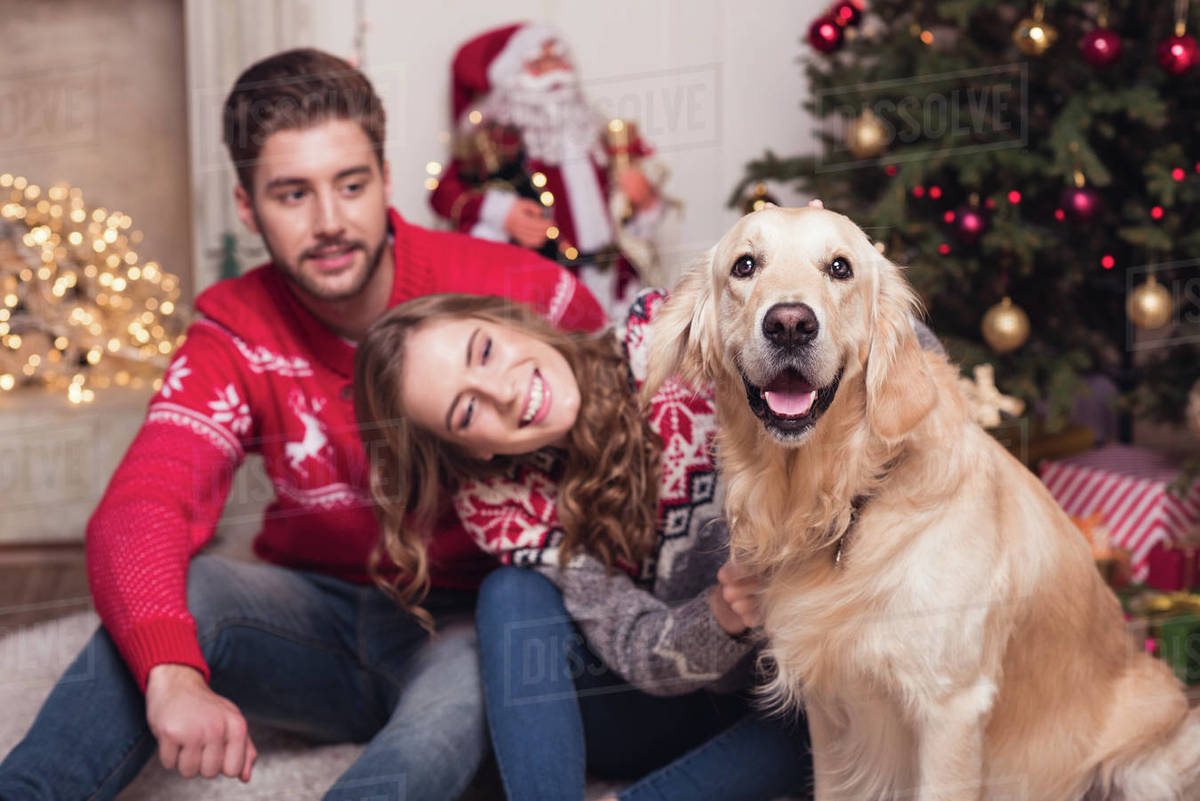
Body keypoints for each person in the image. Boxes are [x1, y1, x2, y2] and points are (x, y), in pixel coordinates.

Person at [0, 48, 604, 801]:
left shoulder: (519, 291)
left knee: (471, 680)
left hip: (464, 621)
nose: (330, 223)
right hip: (309, 620)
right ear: (247, 206)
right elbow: (146, 500)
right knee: (188, 590)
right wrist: (172, 670)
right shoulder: (235, 330)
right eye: (292, 194)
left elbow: (631, 443)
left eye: (351, 185)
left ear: (385, 177)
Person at [353, 289, 815, 801]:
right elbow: (637, 646)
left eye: (484, 351)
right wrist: (722, 615)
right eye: (466, 411)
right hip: (659, 703)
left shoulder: (665, 339)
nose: (503, 392)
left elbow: (870, 368)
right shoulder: (502, 503)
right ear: (470, 449)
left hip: (797, 685)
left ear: (510, 321)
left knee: (818, 721)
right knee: (511, 591)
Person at [429, 23, 668, 318]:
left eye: (559, 60)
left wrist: (643, 199)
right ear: (511, 78)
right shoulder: (494, 141)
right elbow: (443, 195)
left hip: (615, 283)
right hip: (547, 293)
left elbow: (629, 211)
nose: (554, 72)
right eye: (539, 64)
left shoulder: (593, 132)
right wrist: (501, 212)